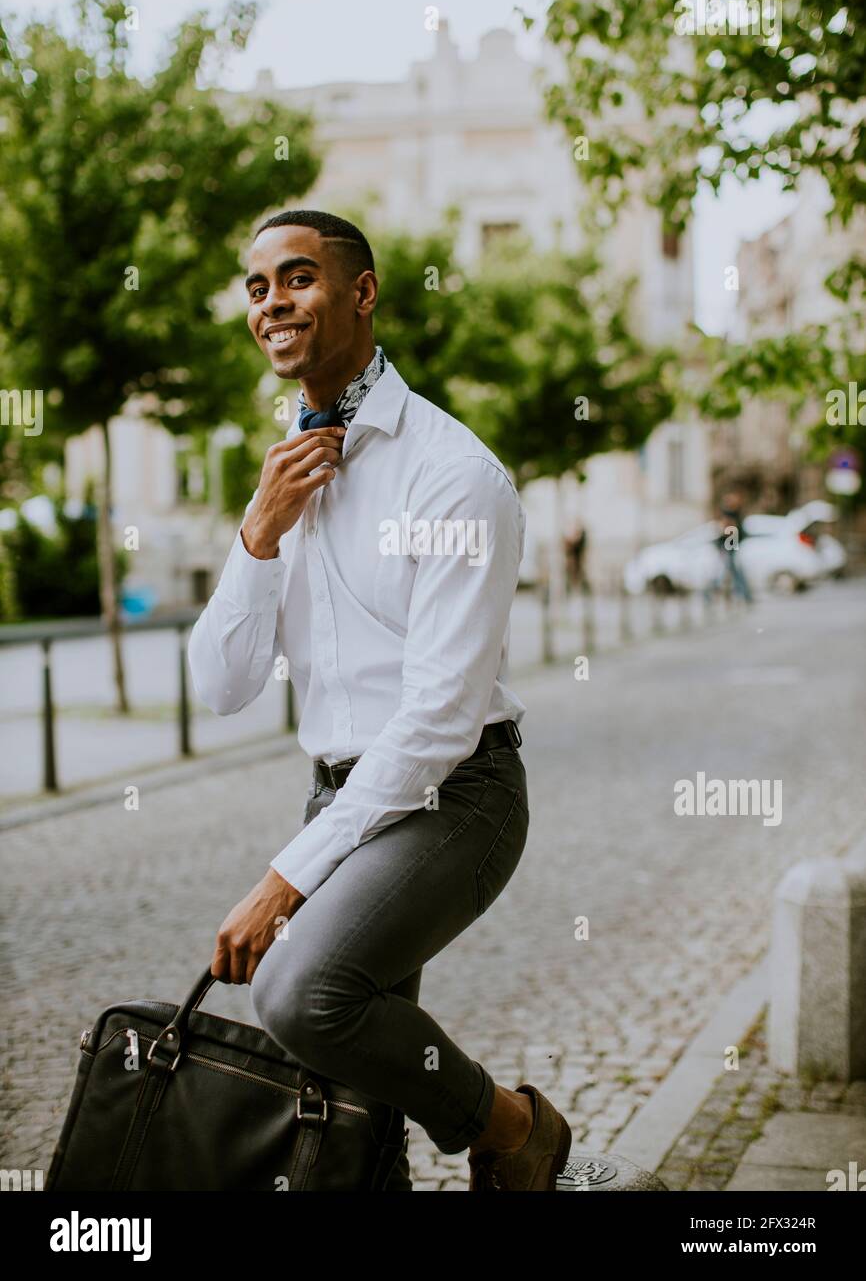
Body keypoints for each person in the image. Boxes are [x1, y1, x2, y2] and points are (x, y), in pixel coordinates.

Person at [188, 210, 572, 1191]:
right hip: (339, 792)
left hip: (455, 794)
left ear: (361, 293)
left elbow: (440, 718)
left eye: (299, 277)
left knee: (303, 993)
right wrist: (257, 533)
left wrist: (285, 877)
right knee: (343, 1093)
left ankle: (515, 1126)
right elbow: (219, 685)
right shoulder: (285, 464)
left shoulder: (452, 477)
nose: (272, 299)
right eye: (257, 284)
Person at [708, 495, 753, 604]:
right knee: (728, 572)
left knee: (729, 572)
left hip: (730, 547)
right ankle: (744, 595)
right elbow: (729, 531)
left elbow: (731, 531)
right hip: (730, 547)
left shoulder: (733, 514)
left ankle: (743, 594)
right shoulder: (729, 514)